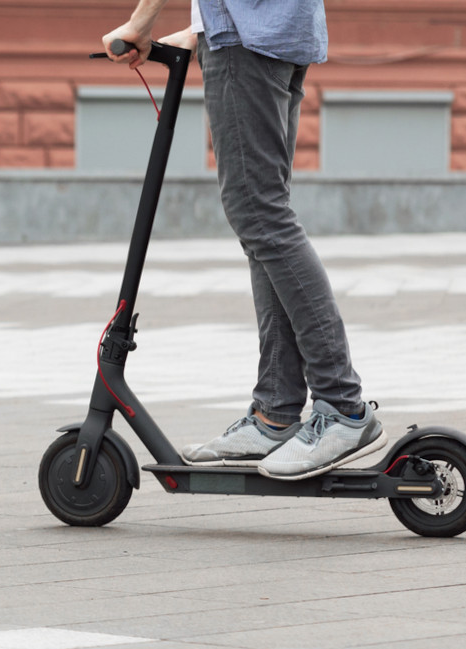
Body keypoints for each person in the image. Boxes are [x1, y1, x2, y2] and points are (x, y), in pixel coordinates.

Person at [103, 0, 383, 479]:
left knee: (262, 217)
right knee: (264, 224)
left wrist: (140, 22)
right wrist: (199, 26)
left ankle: (342, 407)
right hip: (275, 31)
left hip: (247, 41)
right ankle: (275, 414)